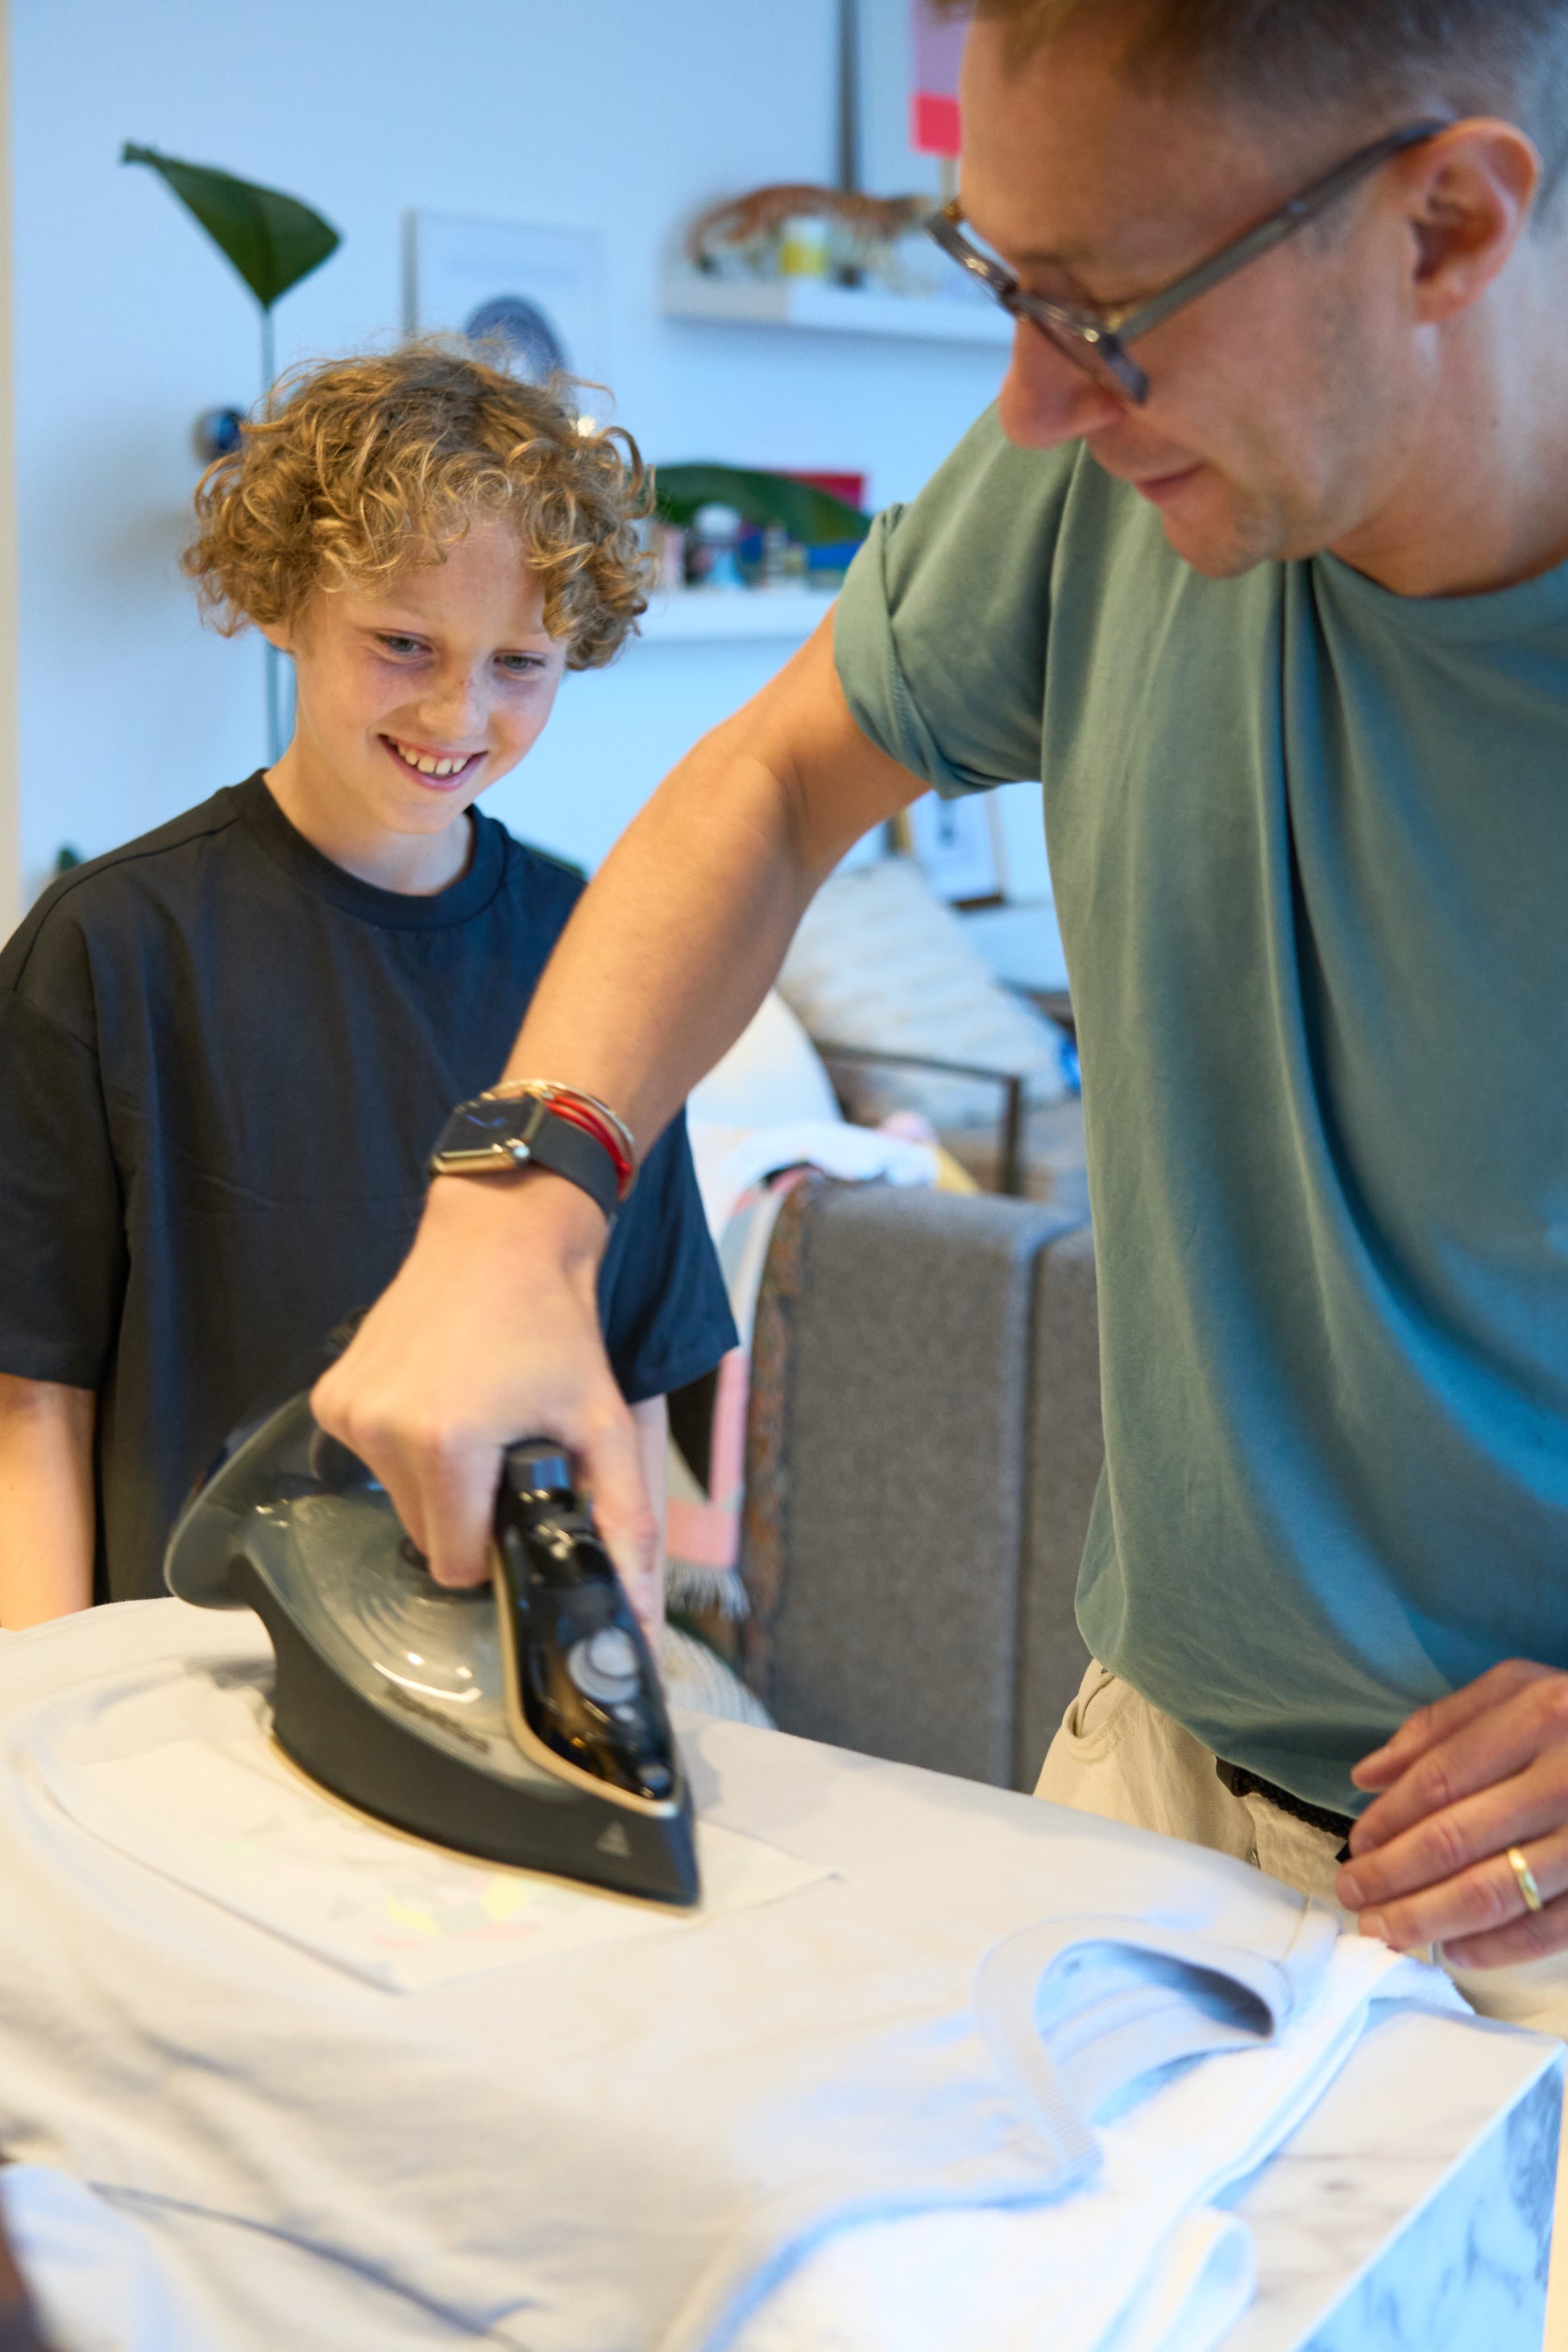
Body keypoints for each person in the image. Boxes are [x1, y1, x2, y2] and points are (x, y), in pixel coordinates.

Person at [314, 0, 1568, 2290]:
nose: (1026, 408)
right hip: (1154, 1785)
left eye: (1097, 314)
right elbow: (781, 776)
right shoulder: (1098, 466)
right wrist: (518, 1206)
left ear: (1451, 224)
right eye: (1003, 285)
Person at [0, 345, 736, 1629]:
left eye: (521, 663)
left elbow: (627, 1390)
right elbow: (28, 1405)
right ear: (283, 602)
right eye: (403, 643)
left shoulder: (604, 952)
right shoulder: (110, 947)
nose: (458, 713)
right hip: (181, 1694)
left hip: (493, 1672)